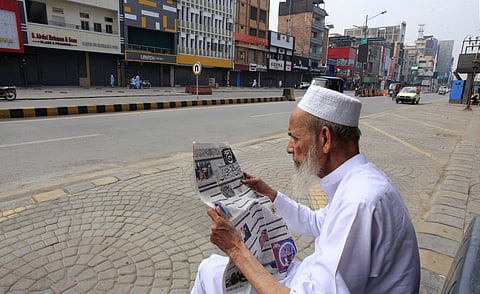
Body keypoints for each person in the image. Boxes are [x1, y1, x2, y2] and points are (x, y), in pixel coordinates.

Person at [191, 85, 421, 294]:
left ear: (324, 139)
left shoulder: (359, 199)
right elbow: (316, 223)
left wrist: (236, 249)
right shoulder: (359, 182)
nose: (289, 148)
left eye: (295, 138)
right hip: (311, 278)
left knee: (209, 273)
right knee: (210, 269)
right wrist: (270, 194)